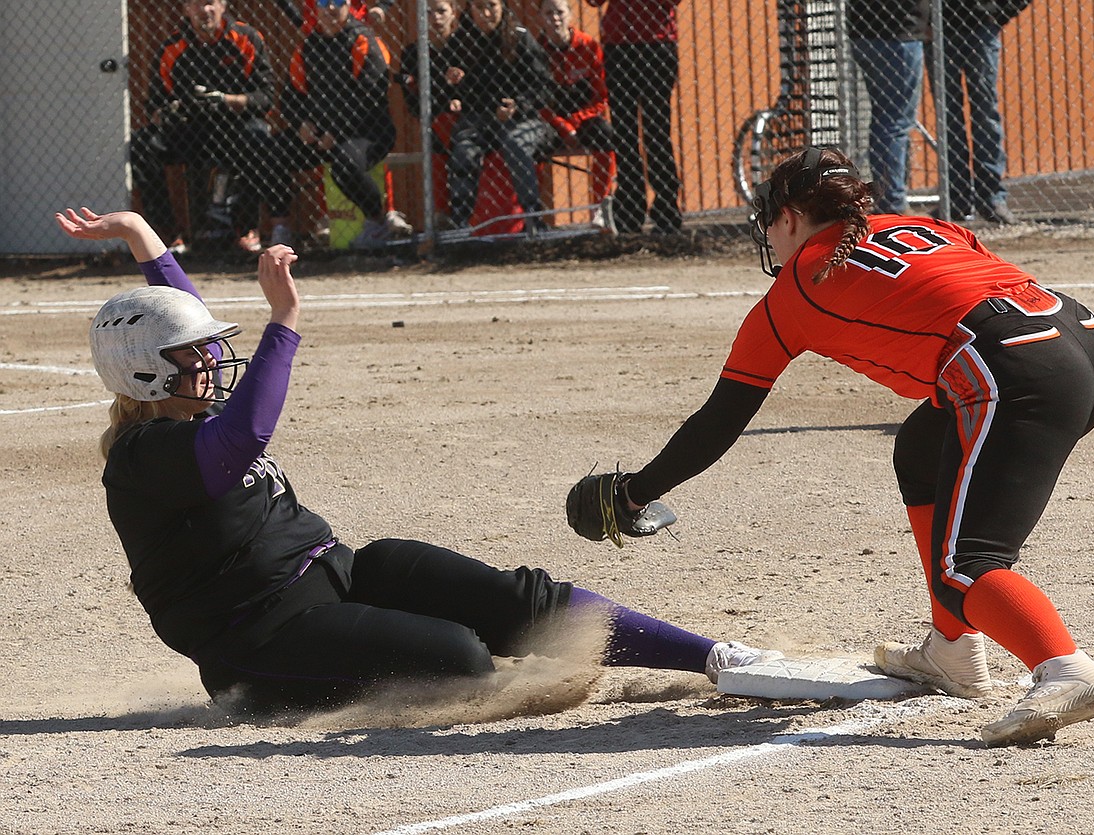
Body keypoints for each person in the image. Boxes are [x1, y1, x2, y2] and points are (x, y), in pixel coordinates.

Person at [55, 205, 774, 717]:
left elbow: (176, 313)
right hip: (261, 640)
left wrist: (138, 233)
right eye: (193, 356)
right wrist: (284, 325)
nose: (212, 359)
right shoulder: (145, 455)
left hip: (336, 570)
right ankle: (482, 667)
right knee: (459, 659)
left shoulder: (185, 404)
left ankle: (714, 656)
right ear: (146, 372)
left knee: (520, 598)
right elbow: (243, 441)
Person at [566, 146, 1094, 747]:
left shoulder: (795, 288)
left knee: (966, 568)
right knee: (918, 450)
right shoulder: (922, 223)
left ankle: (1064, 667)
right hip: (1081, 340)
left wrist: (634, 493)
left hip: (1009, 367)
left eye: (770, 224)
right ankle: (952, 650)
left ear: (788, 218)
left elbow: (719, 421)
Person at [129, 0, 281, 254]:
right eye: (196, 4)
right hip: (191, 131)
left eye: (210, 3)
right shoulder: (173, 47)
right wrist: (171, 111)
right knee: (144, 144)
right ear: (187, 9)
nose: (204, 10)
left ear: (223, 5)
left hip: (235, 127)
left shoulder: (246, 38)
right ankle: (167, 234)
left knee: (259, 135)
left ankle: (245, 228)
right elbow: (154, 105)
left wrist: (225, 100)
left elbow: (266, 96)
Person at [268, 0, 412, 251]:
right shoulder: (309, 46)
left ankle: (378, 223)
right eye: (323, 2)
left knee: (345, 164)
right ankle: (281, 229)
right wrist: (302, 124)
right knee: (270, 152)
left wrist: (335, 131)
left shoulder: (364, 41)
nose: (330, 9)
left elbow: (368, 97)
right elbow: (290, 97)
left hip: (368, 131)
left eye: (337, 2)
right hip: (321, 133)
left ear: (349, 6)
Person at [443, 0, 558, 232]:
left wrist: (519, 105)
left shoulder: (519, 37)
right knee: (464, 147)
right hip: (480, 118)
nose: (486, 13)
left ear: (502, 7)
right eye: (479, 7)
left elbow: (546, 87)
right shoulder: (460, 41)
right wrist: (452, 86)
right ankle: (460, 221)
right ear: (470, 10)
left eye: (492, 6)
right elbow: (450, 92)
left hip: (523, 118)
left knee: (516, 142)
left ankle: (532, 218)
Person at [584, 0, 682, 234]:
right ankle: (629, 209)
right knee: (624, 132)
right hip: (619, 46)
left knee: (656, 131)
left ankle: (666, 209)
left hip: (657, 45)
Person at [930, 1, 1033, 225]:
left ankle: (991, 197)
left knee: (985, 113)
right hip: (939, 28)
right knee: (947, 117)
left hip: (981, 26)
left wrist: (997, 14)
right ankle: (955, 199)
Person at [845, 0, 929, 215]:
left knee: (885, 119)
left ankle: (888, 197)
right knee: (895, 122)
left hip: (864, 31)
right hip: (899, 33)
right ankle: (892, 202)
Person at [537, 0, 616, 228]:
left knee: (605, 135)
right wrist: (562, 126)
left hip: (584, 117)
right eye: (548, 13)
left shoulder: (588, 46)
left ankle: (599, 209)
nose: (555, 18)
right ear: (540, 17)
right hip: (551, 121)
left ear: (570, 15)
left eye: (560, 12)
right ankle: (534, 214)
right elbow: (536, 101)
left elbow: (601, 96)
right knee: (531, 143)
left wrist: (575, 121)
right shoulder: (536, 49)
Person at [397, 0, 464, 221]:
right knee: (438, 127)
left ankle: (456, 211)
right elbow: (414, 102)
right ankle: (443, 213)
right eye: (428, 12)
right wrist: (445, 93)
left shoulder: (465, 47)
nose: (435, 17)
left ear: (453, 13)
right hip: (434, 119)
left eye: (441, 11)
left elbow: (477, 89)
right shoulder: (413, 52)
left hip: (468, 118)